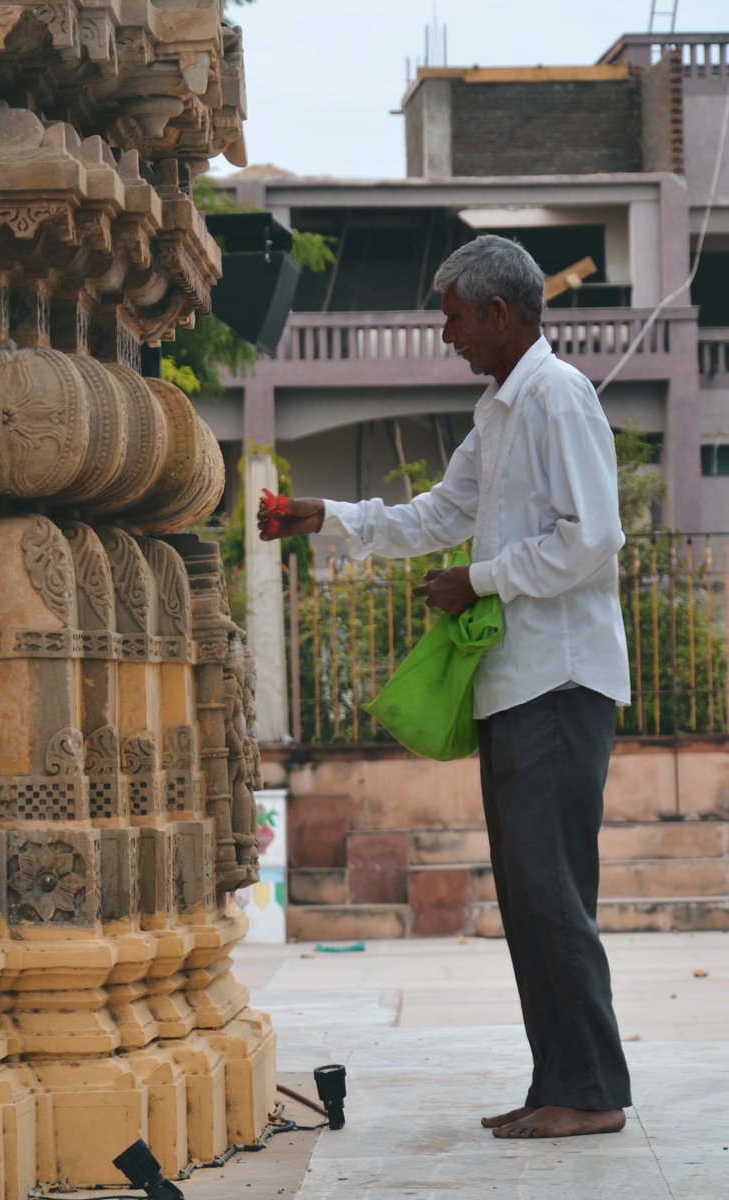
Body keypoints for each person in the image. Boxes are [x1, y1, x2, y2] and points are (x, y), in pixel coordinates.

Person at [259, 234, 632, 1140]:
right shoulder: (501, 408)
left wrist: (484, 579)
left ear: (501, 314)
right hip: (511, 684)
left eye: (456, 318)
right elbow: (438, 512)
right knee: (528, 895)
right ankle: (562, 1084)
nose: (448, 334)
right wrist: (333, 516)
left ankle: (592, 1092)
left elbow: (595, 540)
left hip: (563, 679)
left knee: (551, 893)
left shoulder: (558, 396)